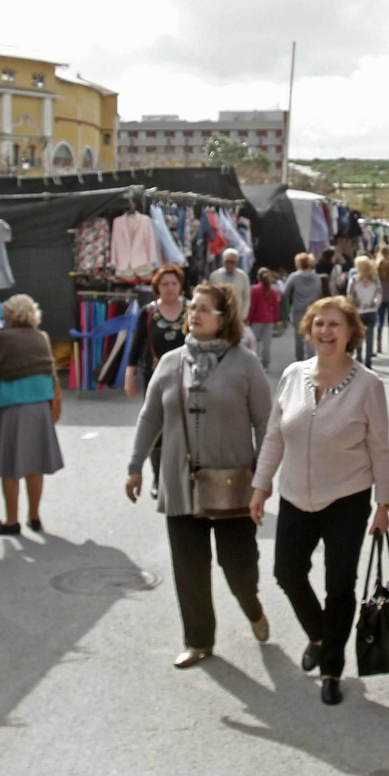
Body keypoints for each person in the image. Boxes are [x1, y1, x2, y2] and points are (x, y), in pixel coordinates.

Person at [250, 296, 389, 706]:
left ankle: (332, 667)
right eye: (319, 324)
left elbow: (380, 448)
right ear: (309, 329)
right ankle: (320, 635)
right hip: (296, 494)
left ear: (350, 333)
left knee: (339, 587)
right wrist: (261, 486)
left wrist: (383, 504)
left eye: (334, 325)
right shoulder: (293, 375)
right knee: (287, 572)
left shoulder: (368, 385)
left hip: (347, 497)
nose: (325, 332)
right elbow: (275, 435)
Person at [126, 283, 272, 668]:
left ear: (225, 318)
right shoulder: (171, 362)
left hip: (233, 484)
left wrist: (264, 477)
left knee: (238, 567)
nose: (194, 313)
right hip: (180, 483)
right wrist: (135, 465)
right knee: (189, 569)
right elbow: (150, 416)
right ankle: (198, 640)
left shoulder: (245, 364)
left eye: (205, 308)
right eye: (192, 306)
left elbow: (266, 423)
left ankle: (252, 607)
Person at [0, 293, 64, 535]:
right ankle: (34, 516)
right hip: (40, 408)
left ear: (10, 314)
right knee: (36, 465)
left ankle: (11, 520)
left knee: (10, 467)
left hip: (12, 408)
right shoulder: (41, 337)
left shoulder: (4, 338)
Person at [124, 264, 188, 401]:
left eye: (174, 283)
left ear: (180, 285)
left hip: (186, 376)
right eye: (165, 284)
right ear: (157, 287)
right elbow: (136, 346)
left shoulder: (191, 310)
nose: (170, 287)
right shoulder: (148, 312)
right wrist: (129, 376)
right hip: (155, 375)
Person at [283, 253, 324, 363]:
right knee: (311, 336)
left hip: (297, 310)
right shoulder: (316, 278)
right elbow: (319, 293)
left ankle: (300, 360)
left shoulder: (294, 277)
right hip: (312, 311)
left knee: (299, 337)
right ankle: (311, 360)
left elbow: (285, 293)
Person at [347, 255, 383, 368]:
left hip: (359, 311)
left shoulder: (354, 280)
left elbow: (349, 294)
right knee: (369, 336)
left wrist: (354, 304)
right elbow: (380, 294)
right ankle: (368, 361)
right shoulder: (375, 280)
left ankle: (358, 358)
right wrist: (374, 304)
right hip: (371, 311)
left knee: (358, 336)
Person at [247, 267, 281, 368]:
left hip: (257, 319)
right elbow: (275, 307)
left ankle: (254, 362)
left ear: (258, 277)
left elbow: (252, 306)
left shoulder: (255, 290)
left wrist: (249, 318)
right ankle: (266, 364)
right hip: (269, 320)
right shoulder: (273, 291)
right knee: (267, 344)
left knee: (255, 342)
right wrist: (275, 319)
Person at [209, 248, 252, 317]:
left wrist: (243, 315)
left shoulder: (243, 277)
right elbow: (211, 296)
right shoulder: (214, 276)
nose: (229, 264)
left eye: (232, 262)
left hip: (237, 315)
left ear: (236, 263)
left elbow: (246, 297)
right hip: (219, 314)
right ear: (223, 261)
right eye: (227, 261)